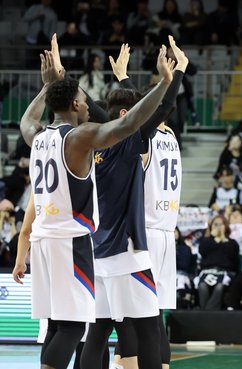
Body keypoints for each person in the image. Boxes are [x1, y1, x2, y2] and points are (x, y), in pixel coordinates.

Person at [12, 35, 172, 369]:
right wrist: (164, 86)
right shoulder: (81, 138)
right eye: (83, 101)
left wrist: (47, 86)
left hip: (47, 241)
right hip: (74, 242)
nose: (88, 106)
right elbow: (128, 123)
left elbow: (25, 121)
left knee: (63, 326)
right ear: (73, 106)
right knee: (77, 327)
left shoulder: (37, 136)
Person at [78, 37, 187, 369]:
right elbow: (144, 109)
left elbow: (133, 113)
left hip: (139, 233)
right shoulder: (170, 138)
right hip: (162, 232)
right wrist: (177, 71)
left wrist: (124, 80)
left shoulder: (139, 139)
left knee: (125, 322)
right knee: (148, 319)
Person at [142, 117, 182, 369]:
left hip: (147, 229)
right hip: (168, 231)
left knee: (138, 313)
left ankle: (122, 362)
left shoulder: (148, 137)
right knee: (155, 312)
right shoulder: (172, 138)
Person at [197, 215, 240, 310]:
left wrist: (224, 238)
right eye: (215, 224)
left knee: (219, 287)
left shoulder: (232, 243)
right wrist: (212, 236)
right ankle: (207, 312)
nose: (218, 227)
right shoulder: (207, 241)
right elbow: (202, 250)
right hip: (207, 271)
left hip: (224, 272)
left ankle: (206, 313)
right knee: (202, 286)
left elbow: (232, 256)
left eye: (220, 224)